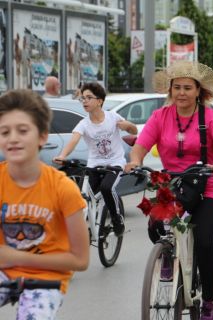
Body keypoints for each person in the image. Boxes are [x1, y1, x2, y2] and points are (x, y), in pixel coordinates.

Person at [125, 61, 213, 320]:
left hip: (209, 184)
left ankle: (208, 302)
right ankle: (167, 255)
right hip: (173, 183)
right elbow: (141, 144)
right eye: (177, 88)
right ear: (170, 91)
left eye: (187, 88)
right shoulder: (160, 117)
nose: (181, 93)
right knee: (154, 224)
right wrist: (135, 161)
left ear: (199, 91)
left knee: (205, 242)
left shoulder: (212, 117)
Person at [0, 89, 89, 318]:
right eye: (4, 132)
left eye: (22, 131)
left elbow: (80, 260)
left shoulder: (63, 188)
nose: (13, 138)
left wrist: (16, 258)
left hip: (46, 277)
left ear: (42, 136)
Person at [53, 82, 137, 236]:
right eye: (82, 98)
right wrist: (63, 155)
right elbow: (73, 140)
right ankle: (89, 224)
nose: (84, 101)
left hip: (115, 163)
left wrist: (127, 126)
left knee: (107, 188)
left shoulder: (112, 117)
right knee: (84, 196)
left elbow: (134, 130)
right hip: (94, 165)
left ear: (100, 101)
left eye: (89, 97)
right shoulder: (83, 124)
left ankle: (117, 219)